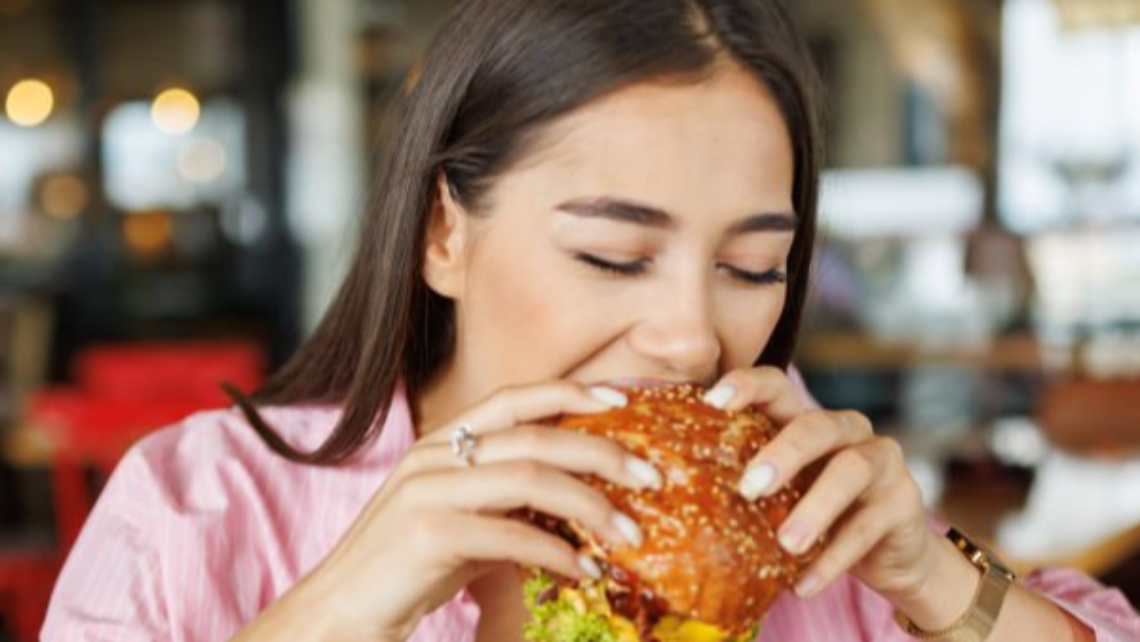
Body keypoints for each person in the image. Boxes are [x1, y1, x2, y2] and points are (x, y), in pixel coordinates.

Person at [42, 1, 1140, 640]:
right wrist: (335, 607)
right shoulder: (196, 505)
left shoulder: (804, 505)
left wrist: (939, 580)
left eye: (753, 265)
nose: (691, 338)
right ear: (443, 236)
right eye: (614, 255)